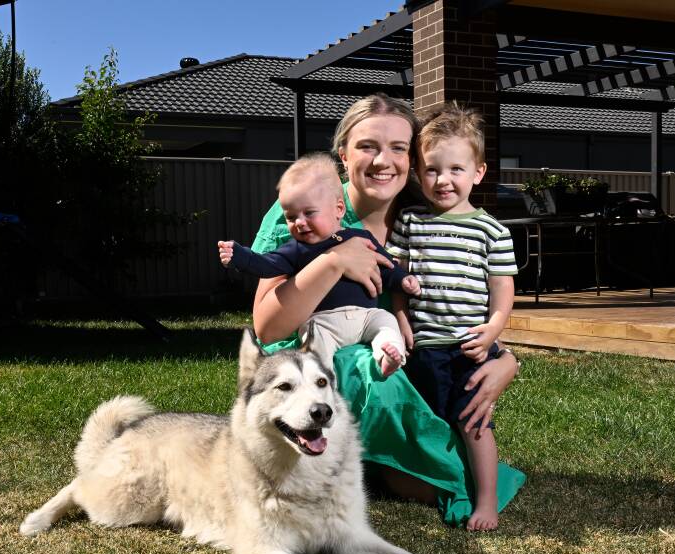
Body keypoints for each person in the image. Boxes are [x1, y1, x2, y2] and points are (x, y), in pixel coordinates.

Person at [249, 93, 526, 528]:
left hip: (408, 360)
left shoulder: (424, 217)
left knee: (430, 463)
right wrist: (334, 261)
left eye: (399, 148)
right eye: (367, 146)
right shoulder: (307, 207)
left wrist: (507, 360)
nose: (384, 161)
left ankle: (377, 462)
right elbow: (267, 327)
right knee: (372, 372)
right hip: (316, 358)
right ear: (343, 154)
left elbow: (459, 302)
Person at [389, 102, 517, 531]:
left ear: (478, 172)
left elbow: (503, 292)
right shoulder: (409, 221)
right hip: (421, 347)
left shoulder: (492, 231)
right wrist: (402, 320)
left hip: (467, 348)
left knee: (475, 422)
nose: (443, 180)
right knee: (428, 420)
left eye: (456, 170)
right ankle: (442, 481)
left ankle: (486, 502)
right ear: (417, 174)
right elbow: (398, 278)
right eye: (431, 170)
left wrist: (493, 331)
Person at [219, 154, 420, 377]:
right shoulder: (296, 248)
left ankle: (387, 355)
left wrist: (403, 279)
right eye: (291, 217)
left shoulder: (361, 238)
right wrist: (239, 256)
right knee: (314, 338)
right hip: (324, 320)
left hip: (365, 316)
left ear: (339, 209)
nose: (300, 223)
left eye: (309, 213)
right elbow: (267, 264)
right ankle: (322, 377)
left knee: (386, 321)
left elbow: (386, 265)